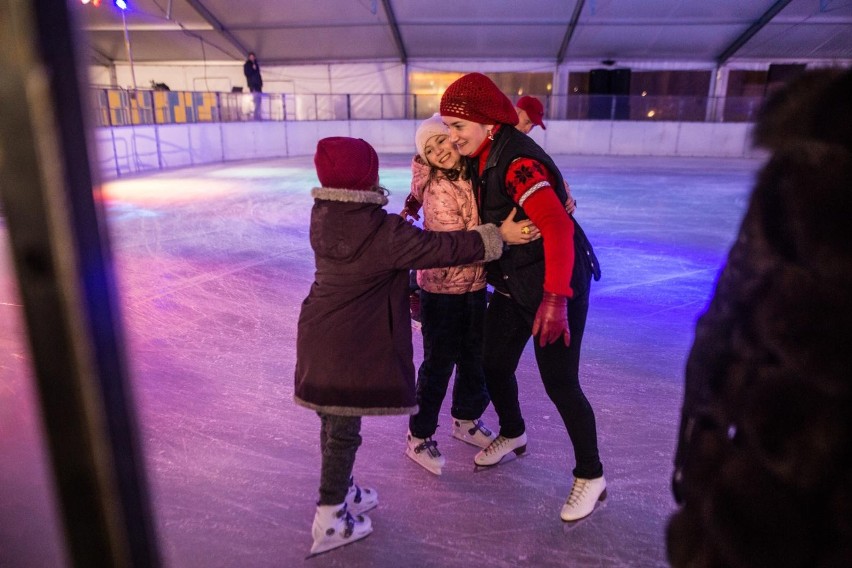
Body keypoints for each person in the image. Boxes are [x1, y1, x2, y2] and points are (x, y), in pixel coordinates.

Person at [295, 136, 518, 555]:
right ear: (367, 177)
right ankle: (330, 517)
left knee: (334, 424)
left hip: (318, 337)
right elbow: (441, 247)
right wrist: (494, 235)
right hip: (349, 346)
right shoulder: (381, 231)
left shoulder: (324, 215)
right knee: (343, 432)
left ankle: (341, 488)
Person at [668, 69, 852, 567]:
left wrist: (696, 438)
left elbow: (728, 311)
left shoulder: (803, 171)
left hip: (781, 444)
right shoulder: (806, 168)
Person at [440, 73, 605, 522]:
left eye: (458, 127)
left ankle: (591, 476)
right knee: (493, 363)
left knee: (561, 384)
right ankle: (513, 433)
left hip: (556, 282)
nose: (451, 138)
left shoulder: (516, 163)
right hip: (516, 281)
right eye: (448, 127)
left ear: (487, 123)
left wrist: (556, 301)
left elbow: (556, 228)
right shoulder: (483, 152)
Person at [401, 114, 540, 475]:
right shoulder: (437, 188)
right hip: (442, 289)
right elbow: (456, 245)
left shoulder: (470, 171)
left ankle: (465, 417)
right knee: (439, 363)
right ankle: (418, 436)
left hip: (475, 285)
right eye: (429, 151)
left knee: (474, 357)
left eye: (440, 142)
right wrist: (501, 235)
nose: (439, 152)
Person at [243, 52, 263, 119]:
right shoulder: (247, 65)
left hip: (258, 84)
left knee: (259, 100)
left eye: (253, 57)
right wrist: (253, 69)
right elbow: (247, 74)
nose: (252, 58)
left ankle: (258, 114)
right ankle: (256, 115)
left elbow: (257, 73)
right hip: (253, 84)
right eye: (251, 57)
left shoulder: (256, 64)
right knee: (256, 100)